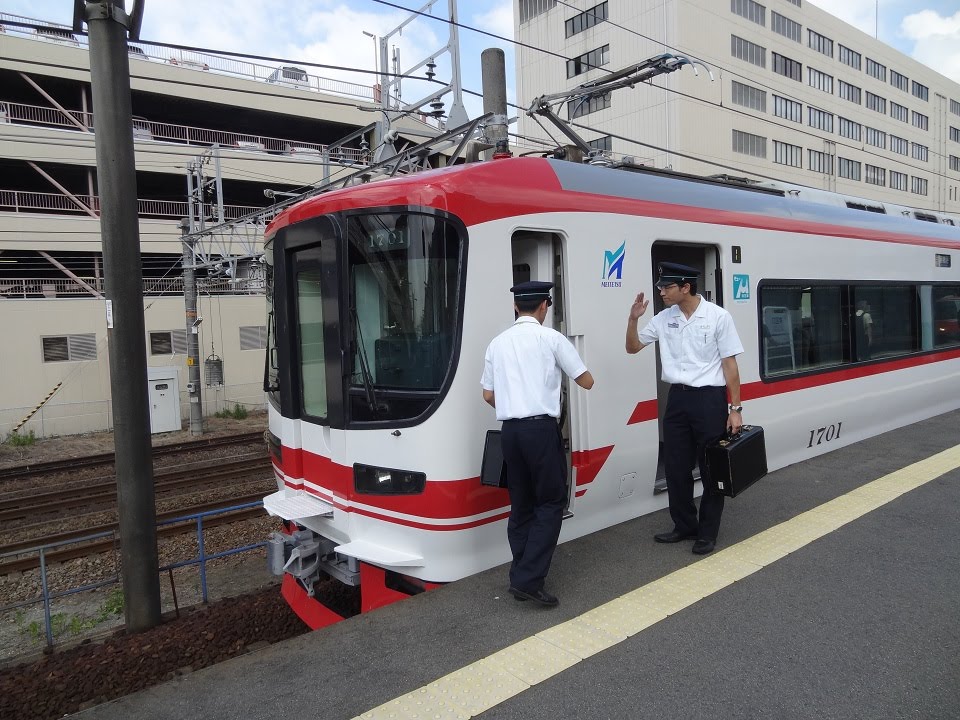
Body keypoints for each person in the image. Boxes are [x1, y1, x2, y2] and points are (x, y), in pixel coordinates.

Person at [481, 280, 594, 607]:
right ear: (544, 306)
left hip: (511, 433)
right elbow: (587, 381)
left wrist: (512, 407)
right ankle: (529, 581)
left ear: (517, 307)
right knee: (550, 503)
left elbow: (488, 395)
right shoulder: (551, 338)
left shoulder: (497, 343)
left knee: (522, 504)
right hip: (541, 432)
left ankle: (521, 572)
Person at [625, 262, 744, 555]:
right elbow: (632, 347)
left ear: (686, 287)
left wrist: (735, 408)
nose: (662, 292)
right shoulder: (663, 319)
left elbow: (730, 365)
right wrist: (633, 320)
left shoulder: (718, 317)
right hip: (677, 399)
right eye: (661, 287)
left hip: (709, 400)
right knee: (676, 469)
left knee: (709, 467)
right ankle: (684, 525)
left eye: (667, 287)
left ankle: (707, 533)